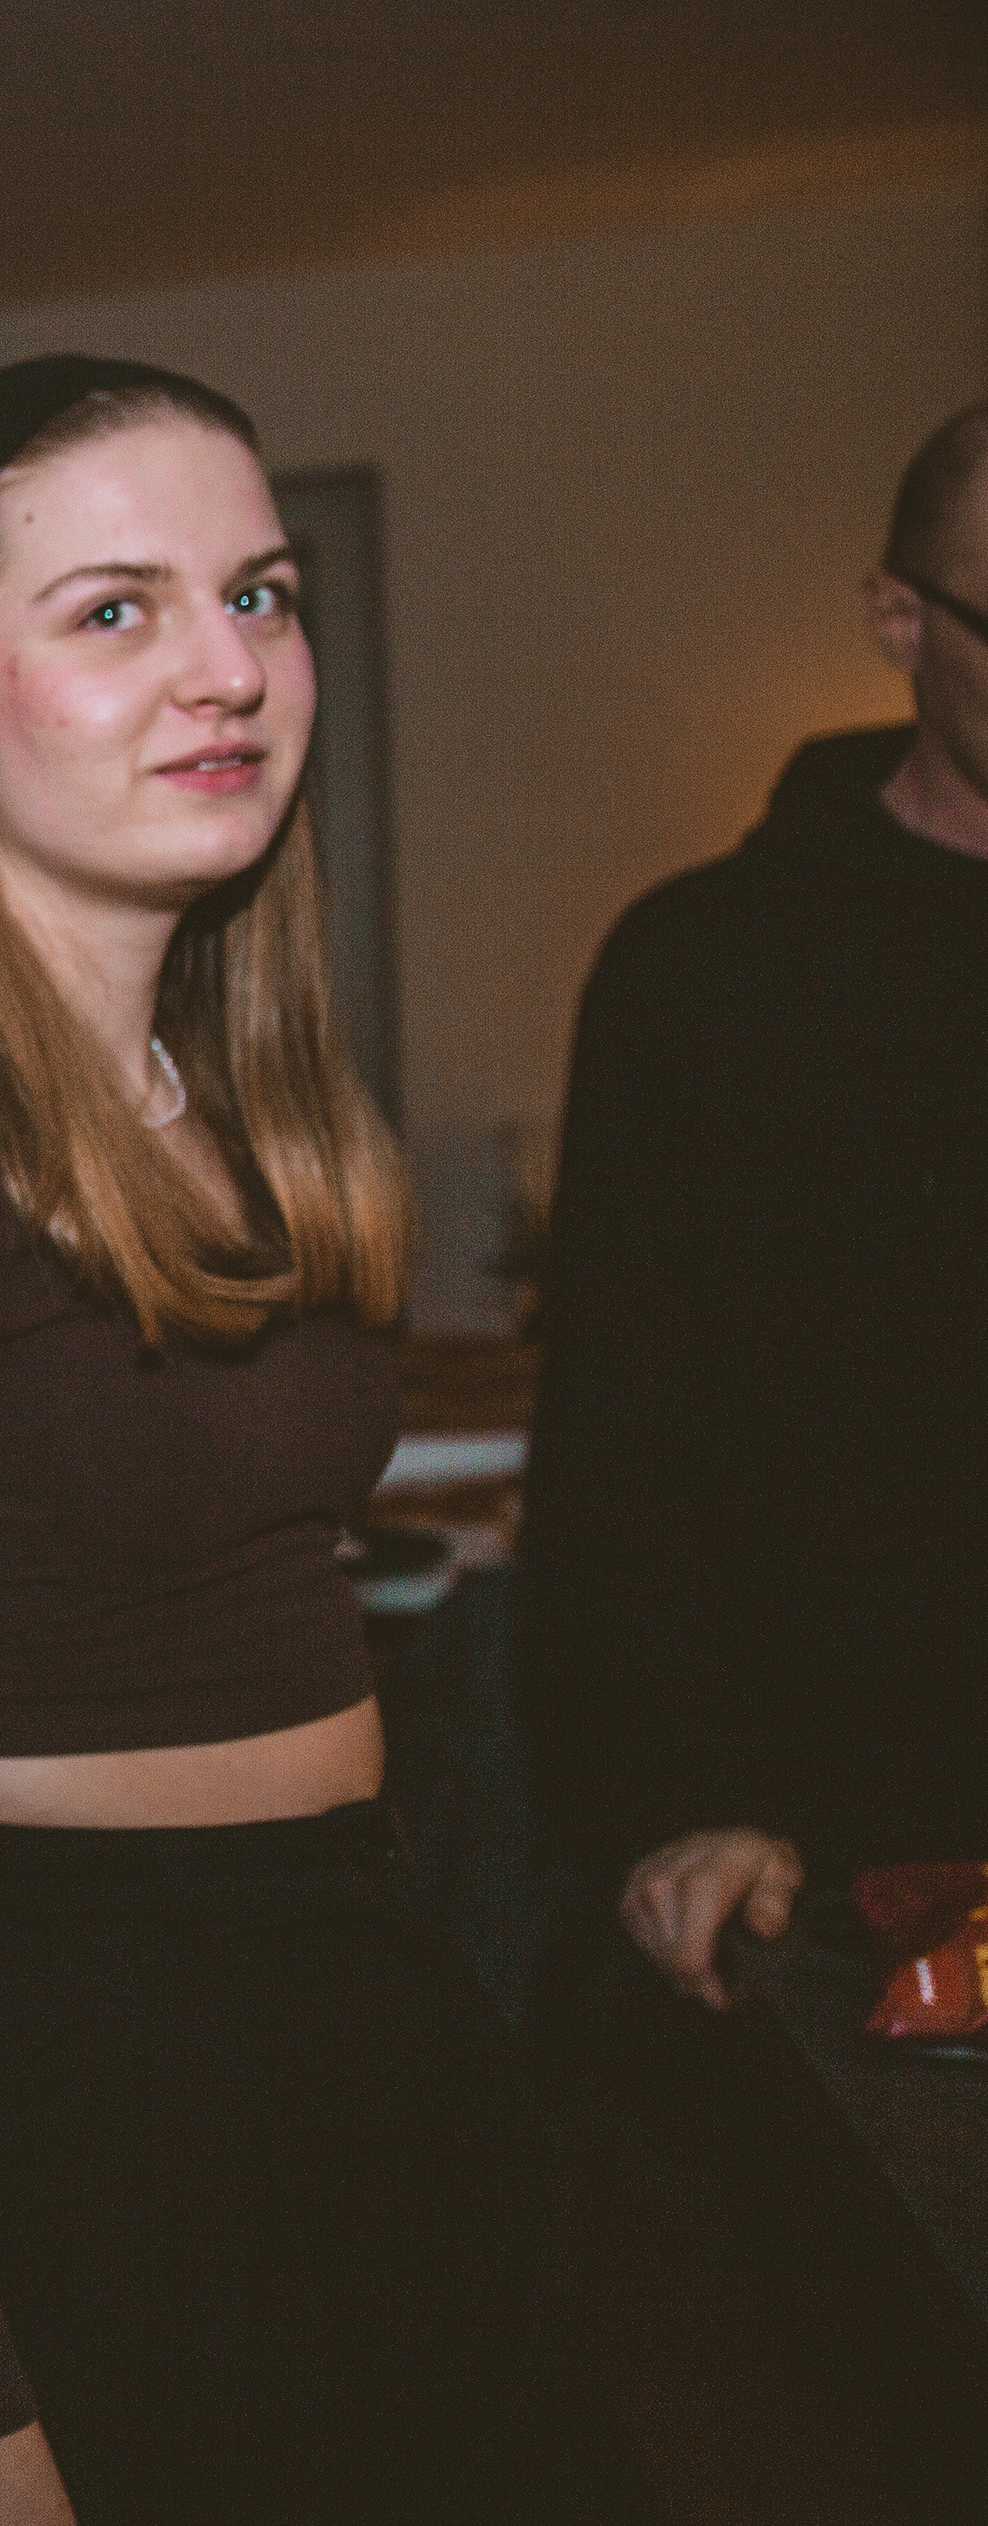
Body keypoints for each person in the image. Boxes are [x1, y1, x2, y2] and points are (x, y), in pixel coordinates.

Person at [0, 357, 588, 2525]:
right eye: (115, 610)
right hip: (63, 2081)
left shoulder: (239, 1089)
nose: (227, 670)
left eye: (258, 595)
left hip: (347, 2004)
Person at [522, 396, 988, 2011]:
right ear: (899, 620)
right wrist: (673, 1798)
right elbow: (618, 1431)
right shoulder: (707, 968)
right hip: (832, 1848)